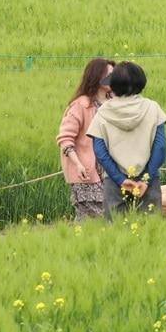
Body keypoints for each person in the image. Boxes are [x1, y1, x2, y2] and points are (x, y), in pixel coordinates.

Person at [87, 61, 166, 217]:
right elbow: (160, 147)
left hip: (114, 182)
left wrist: (120, 179)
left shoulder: (103, 112)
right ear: (141, 83)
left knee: (115, 234)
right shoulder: (153, 108)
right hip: (148, 180)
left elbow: (100, 151)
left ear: (112, 85)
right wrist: (146, 180)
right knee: (150, 233)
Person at [57, 58, 113, 221]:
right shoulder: (80, 105)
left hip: (110, 172)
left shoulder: (113, 104)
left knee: (101, 221)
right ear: (97, 77)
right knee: (96, 219)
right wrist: (78, 164)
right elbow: (65, 139)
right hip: (87, 172)